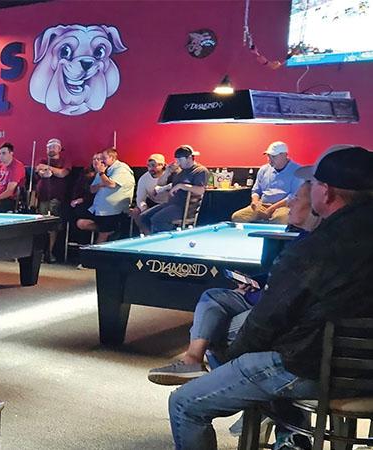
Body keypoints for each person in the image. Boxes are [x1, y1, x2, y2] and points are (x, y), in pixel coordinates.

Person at [168, 145, 373, 450]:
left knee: (185, 403)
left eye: (313, 184)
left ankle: (289, 433)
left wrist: (228, 360)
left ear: (326, 194)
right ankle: (291, 437)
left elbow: (267, 321)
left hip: (316, 369)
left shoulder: (314, 249)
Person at [148, 180, 320, 386]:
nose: (289, 203)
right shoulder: (300, 236)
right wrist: (254, 283)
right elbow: (279, 279)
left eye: (296, 198)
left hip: (272, 310)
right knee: (211, 297)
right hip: (260, 297)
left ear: (317, 204)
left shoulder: (312, 246)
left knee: (213, 331)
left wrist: (254, 293)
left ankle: (222, 388)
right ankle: (193, 361)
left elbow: (285, 297)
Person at [138, 145, 209, 235]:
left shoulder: (200, 170)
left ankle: (166, 240)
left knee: (157, 219)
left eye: (180, 160)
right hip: (171, 203)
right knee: (143, 217)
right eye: (177, 160)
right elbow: (160, 184)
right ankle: (152, 238)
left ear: (189, 158)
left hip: (185, 207)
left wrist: (181, 186)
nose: (178, 162)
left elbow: (201, 190)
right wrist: (168, 171)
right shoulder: (179, 170)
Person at [231, 141, 302, 224]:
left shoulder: (297, 170)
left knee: (280, 219)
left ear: (284, 155)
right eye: (268, 156)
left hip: (284, 207)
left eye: (273, 156)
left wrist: (271, 209)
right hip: (262, 205)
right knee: (237, 217)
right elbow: (256, 191)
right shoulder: (264, 169)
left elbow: (293, 196)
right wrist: (255, 202)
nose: (270, 160)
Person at [76, 148, 134, 242]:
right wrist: (101, 183)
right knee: (81, 223)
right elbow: (92, 189)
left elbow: (111, 184)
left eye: (104, 158)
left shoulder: (121, 169)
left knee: (102, 234)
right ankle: (110, 231)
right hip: (99, 209)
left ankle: (98, 249)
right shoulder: (103, 170)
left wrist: (102, 174)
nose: (101, 161)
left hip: (114, 210)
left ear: (112, 157)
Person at [34, 139, 72, 262]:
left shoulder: (65, 160)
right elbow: (40, 172)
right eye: (49, 147)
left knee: (53, 226)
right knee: (41, 226)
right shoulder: (41, 160)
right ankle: (39, 252)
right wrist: (44, 170)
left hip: (57, 198)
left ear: (59, 149)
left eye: (54, 147)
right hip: (42, 197)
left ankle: (49, 252)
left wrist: (48, 168)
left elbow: (62, 173)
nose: (51, 149)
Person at [129, 153, 170, 222]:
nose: (151, 168)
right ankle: (147, 232)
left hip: (168, 204)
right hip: (153, 202)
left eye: (153, 165)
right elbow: (140, 199)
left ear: (163, 165)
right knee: (136, 212)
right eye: (148, 166)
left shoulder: (170, 174)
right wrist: (144, 208)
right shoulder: (144, 179)